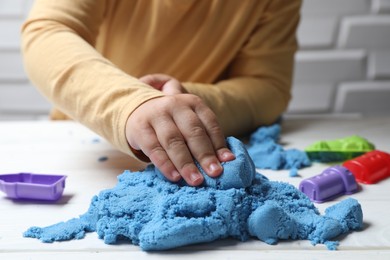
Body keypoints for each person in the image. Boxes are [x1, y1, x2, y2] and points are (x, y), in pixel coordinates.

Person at [21, 0, 302, 186]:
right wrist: (131, 103)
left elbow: (268, 86)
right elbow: (48, 31)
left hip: (193, 149)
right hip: (81, 139)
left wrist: (183, 103)